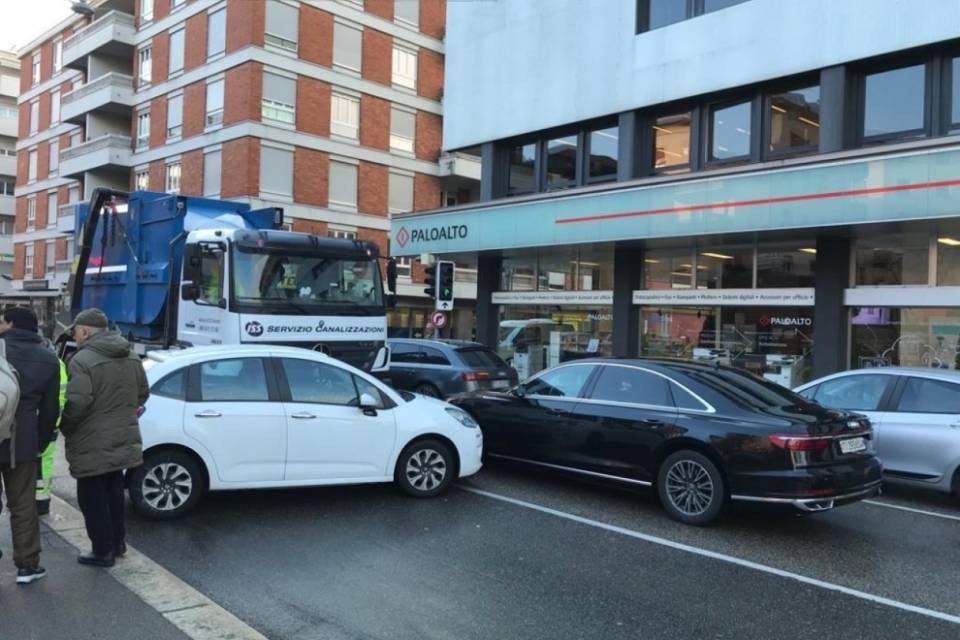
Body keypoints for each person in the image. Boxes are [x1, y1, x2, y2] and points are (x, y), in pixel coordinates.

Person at [61, 309, 149, 567]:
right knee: (113, 492)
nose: (75, 336)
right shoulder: (131, 355)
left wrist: (66, 426)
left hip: (92, 439)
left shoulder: (82, 360)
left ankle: (102, 551)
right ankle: (118, 543)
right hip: (122, 436)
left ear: (86, 331)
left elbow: (77, 403)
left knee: (92, 497)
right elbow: (143, 393)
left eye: (76, 331)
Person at [0, 306, 61, 585]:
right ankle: (27, 566)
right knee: (23, 503)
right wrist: (42, 441)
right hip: (22, 442)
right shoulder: (48, 359)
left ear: (10, 324)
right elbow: (49, 411)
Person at [35, 357, 68, 516]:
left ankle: (40, 501)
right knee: (44, 463)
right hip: (53, 421)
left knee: (40, 464)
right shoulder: (57, 363)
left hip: (42, 421)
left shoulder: (41, 361)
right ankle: (42, 500)